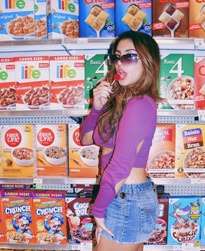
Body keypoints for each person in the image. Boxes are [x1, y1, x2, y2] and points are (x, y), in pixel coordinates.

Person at [80, 30, 161, 251]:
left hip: (126, 195)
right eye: (117, 57)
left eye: (129, 56)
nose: (119, 63)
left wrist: (98, 210)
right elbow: (86, 139)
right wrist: (96, 109)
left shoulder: (140, 104)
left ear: (147, 62)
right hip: (122, 194)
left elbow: (121, 165)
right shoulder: (121, 102)